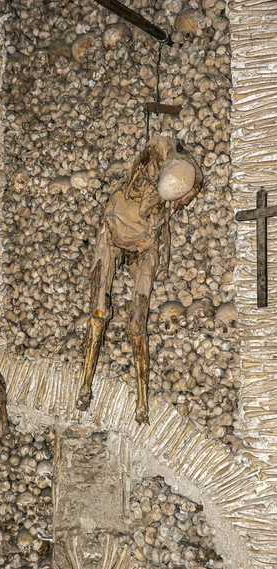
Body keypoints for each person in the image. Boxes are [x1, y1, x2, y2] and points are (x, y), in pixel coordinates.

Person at [76, 134, 203, 424]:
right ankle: (84, 386)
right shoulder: (158, 150)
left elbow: (191, 186)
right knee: (98, 312)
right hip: (115, 228)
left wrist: (166, 200)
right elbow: (145, 161)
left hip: (148, 239)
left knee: (138, 322)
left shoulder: (182, 167)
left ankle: (142, 403)